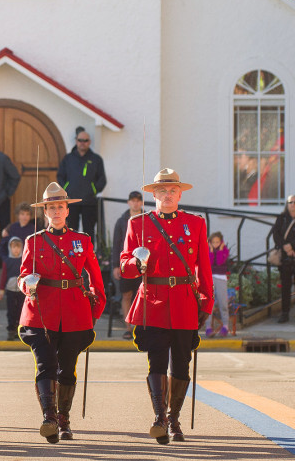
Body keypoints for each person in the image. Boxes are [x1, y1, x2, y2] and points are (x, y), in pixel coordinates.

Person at [120, 168, 213, 444]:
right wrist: (136, 264)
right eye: (162, 191)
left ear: (180, 193)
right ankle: (159, 417)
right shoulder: (138, 224)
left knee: (182, 364)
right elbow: (125, 266)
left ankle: (174, 418)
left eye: (173, 190)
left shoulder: (195, 224)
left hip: (185, 301)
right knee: (157, 361)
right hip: (154, 300)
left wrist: (206, 303)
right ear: (154, 195)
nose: (168, 195)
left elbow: (204, 268)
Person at [17, 182, 105, 444]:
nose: (56, 211)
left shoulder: (82, 240)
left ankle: (64, 418)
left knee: (67, 368)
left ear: (68, 210)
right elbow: (22, 275)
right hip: (42, 310)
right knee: (46, 365)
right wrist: (27, 285)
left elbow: (95, 279)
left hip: (75, 312)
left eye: (60, 207)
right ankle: (49, 418)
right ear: (45, 212)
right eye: (51, 207)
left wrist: (95, 308)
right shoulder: (34, 240)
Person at [56, 127, 107, 239]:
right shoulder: (68, 159)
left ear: (89, 142)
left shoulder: (96, 159)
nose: (82, 143)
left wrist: (93, 190)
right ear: (76, 141)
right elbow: (60, 176)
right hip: (71, 201)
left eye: (85, 140)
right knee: (70, 230)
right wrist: (66, 190)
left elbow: (102, 179)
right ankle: (71, 255)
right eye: (80, 140)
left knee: (88, 232)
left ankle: (88, 255)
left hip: (89, 202)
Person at [111, 191, 144, 340]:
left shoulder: (147, 219)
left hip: (142, 264)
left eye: (138, 201)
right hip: (125, 264)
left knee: (142, 296)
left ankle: (141, 327)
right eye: (133, 200)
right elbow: (116, 245)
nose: (136, 203)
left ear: (141, 203)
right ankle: (128, 328)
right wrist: (115, 266)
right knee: (126, 295)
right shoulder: (121, 221)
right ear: (128, 202)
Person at [272, 194, 295, 323]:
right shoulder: (282, 218)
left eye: (294, 202)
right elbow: (276, 234)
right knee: (285, 286)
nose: (292, 204)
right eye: (290, 202)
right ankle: (285, 313)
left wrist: (291, 246)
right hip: (285, 258)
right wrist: (285, 246)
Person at [0, 236, 24, 341]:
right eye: (14, 247)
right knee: (11, 311)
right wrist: (1, 290)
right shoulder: (7, 261)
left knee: (21, 310)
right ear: (10, 248)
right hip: (10, 290)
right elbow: (4, 276)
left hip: (22, 290)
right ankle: (11, 330)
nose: (16, 250)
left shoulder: (23, 260)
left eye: (18, 247)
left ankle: (20, 330)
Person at [205, 232, 230, 336]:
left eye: (217, 242)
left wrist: (220, 250)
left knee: (223, 303)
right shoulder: (207, 250)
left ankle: (225, 326)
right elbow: (209, 262)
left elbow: (220, 261)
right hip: (209, 278)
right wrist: (210, 250)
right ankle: (208, 327)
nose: (215, 244)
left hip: (221, 278)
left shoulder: (224, 251)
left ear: (221, 242)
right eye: (213, 242)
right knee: (208, 304)